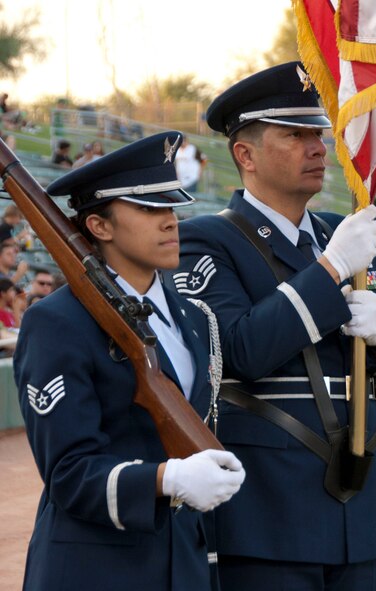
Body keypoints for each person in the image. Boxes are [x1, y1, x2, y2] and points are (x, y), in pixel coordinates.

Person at [171, 62, 376, 591]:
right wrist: (329, 272)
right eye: (295, 135)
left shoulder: (340, 231)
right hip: (274, 509)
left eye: (319, 135)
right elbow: (238, 350)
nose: (318, 148)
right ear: (245, 154)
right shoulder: (207, 240)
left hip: (361, 498)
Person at [14, 131, 246, 590]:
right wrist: (167, 478)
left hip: (184, 563)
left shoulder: (190, 315)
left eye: (172, 206)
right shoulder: (57, 322)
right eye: (148, 209)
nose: (170, 222)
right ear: (99, 226)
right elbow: (68, 473)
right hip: (97, 569)